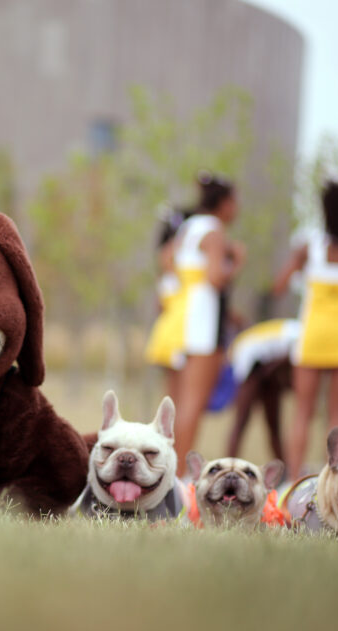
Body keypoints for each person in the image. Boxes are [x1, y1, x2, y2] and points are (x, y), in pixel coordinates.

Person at [273, 181, 338, 481]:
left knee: (303, 412)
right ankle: (334, 481)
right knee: (337, 413)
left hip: (313, 336)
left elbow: (279, 286)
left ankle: (294, 481)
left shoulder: (309, 247)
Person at [172, 172, 245, 473]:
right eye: (235, 202)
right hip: (203, 327)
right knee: (193, 403)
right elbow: (215, 278)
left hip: (182, 318)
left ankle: (173, 472)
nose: (237, 208)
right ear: (224, 203)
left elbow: (168, 261)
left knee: (179, 403)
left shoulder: (189, 227)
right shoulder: (214, 231)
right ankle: (177, 478)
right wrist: (237, 262)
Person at [225, 318, 300, 466]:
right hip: (248, 356)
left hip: (263, 362)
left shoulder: (297, 334)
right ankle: (228, 465)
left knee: (273, 424)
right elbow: (279, 365)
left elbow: (274, 366)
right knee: (241, 421)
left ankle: (284, 470)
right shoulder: (301, 339)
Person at [144, 206, 194, 403]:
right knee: (176, 396)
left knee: (172, 394)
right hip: (177, 331)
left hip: (168, 329)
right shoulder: (175, 253)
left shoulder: (164, 254)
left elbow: (160, 303)